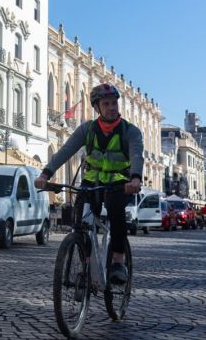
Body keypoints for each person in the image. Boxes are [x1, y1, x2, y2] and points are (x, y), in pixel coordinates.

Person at [35, 83, 143, 284]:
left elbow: (137, 155)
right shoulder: (87, 129)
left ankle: (118, 261)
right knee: (81, 220)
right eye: (106, 104)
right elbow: (65, 151)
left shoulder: (130, 131)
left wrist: (135, 177)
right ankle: (85, 260)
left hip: (119, 183)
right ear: (97, 108)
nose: (112, 107)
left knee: (115, 211)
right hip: (91, 183)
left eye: (114, 103)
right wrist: (45, 173)